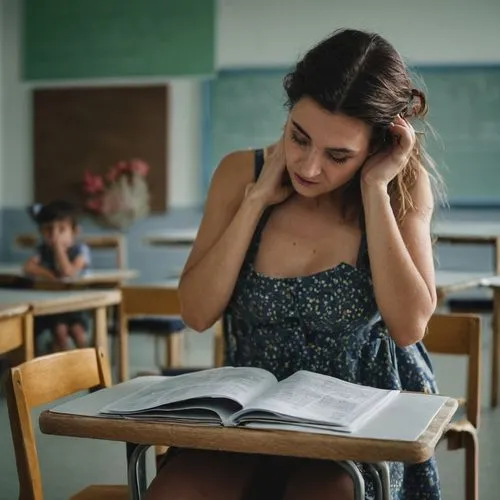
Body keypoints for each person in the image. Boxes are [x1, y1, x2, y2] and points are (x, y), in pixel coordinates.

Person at [146, 28, 442, 500]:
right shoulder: (238, 173)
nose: (307, 167)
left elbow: (408, 328)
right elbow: (197, 314)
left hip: (353, 424)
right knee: (174, 492)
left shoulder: (401, 187)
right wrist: (256, 200)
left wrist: (373, 191)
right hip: (246, 418)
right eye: (298, 138)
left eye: (338, 155)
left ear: (379, 146)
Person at [23, 200, 92, 351]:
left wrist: (58, 248)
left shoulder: (80, 250)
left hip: (77, 305)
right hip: (52, 306)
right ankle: (61, 368)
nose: (54, 235)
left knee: (78, 334)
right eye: (48, 230)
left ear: (74, 232)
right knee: (60, 333)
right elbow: (28, 267)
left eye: (61, 229)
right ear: (41, 232)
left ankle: (86, 368)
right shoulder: (42, 250)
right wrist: (48, 274)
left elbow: (68, 272)